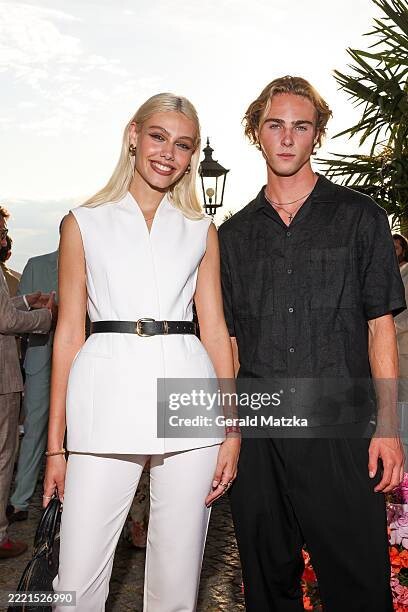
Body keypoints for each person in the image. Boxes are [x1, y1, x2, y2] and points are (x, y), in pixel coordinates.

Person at [43, 93, 240, 611]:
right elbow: (69, 334)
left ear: (192, 156)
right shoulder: (83, 222)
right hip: (104, 394)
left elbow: (215, 330)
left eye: (183, 145)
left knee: (177, 577)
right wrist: (55, 447)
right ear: (133, 135)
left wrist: (232, 428)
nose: (168, 153)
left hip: (188, 394)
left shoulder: (200, 229)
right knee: (76, 581)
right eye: (158, 136)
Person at [218, 76, 405, 611]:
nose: (286, 138)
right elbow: (229, 344)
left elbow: (380, 328)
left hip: (341, 429)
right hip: (261, 435)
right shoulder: (231, 237)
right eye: (274, 125)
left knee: (360, 585)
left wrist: (389, 428)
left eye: (300, 127)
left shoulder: (361, 217)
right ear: (256, 132)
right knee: (266, 587)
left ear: (316, 135)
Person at [0, 206, 56, 559]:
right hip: (9, 375)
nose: (5, 239)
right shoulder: (33, 264)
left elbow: (5, 308)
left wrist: (25, 300)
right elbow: (6, 319)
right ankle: (3, 531)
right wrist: (46, 316)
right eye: (1, 231)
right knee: (8, 453)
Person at [7, 247, 58, 523]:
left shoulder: (96, 264)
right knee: (34, 429)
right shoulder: (36, 264)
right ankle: (20, 501)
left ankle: (70, 499)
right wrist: (49, 314)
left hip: (82, 359)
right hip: (41, 356)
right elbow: (15, 314)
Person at [393, 233, 408, 467]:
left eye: (396, 248)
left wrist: (389, 328)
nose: (393, 251)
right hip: (388, 349)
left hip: (404, 346)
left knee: (404, 399)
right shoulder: (386, 271)